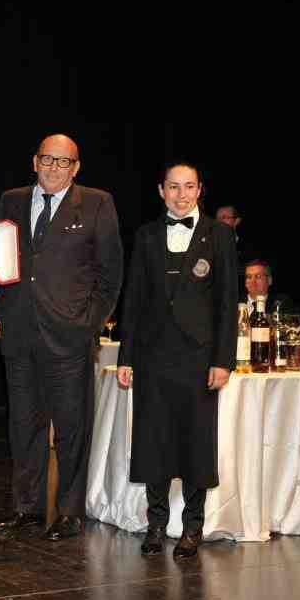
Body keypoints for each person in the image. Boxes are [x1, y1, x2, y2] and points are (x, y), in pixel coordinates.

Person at [0, 134, 123, 541]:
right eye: (47, 159)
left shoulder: (97, 203)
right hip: (18, 332)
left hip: (69, 336)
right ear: (34, 161)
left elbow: (110, 274)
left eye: (63, 162)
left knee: (71, 426)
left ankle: (69, 511)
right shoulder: (10, 201)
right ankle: (26, 508)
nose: (54, 167)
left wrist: (88, 323)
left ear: (76, 168)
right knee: (23, 425)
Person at [117, 162, 237, 558]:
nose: (181, 195)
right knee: (153, 441)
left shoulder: (219, 235)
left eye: (188, 187)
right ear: (161, 190)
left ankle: (192, 526)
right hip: (152, 356)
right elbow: (133, 299)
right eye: (173, 187)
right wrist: (126, 356)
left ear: (200, 190)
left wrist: (223, 360)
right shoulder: (146, 235)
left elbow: (226, 302)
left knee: (195, 443)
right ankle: (155, 524)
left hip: (199, 358)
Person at [242, 259, 300, 327]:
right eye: (249, 277)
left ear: (269, 280)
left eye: (258, 276)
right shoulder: (236, 303)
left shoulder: (280, 302)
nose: (252, 281)